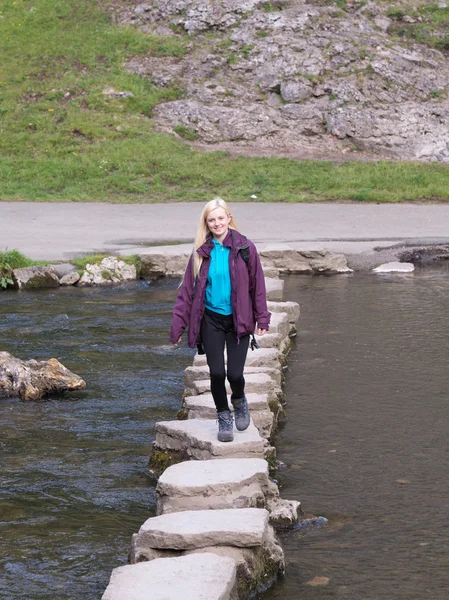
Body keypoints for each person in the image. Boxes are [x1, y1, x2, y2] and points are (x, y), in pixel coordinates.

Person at [169, 197, 271, 442]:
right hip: (211, 320)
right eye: (211, 220)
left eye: (220, 218)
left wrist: (262, 317)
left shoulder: (245, 248)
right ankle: (223, 416)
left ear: (229, 218)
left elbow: (257, 285)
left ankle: (239, 400)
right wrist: (178, 326)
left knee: (235, 375)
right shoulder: (201, 253)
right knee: (216, 373)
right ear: (207, 223)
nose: (216, 223)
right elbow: (187, 293)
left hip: (238, 320)